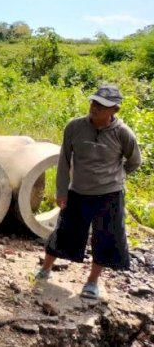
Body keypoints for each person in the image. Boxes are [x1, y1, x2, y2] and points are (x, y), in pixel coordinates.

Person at [35, 84, 142, 299]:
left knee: (105, 237)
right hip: (78, 192)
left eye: (101, 105)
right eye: (94, 102)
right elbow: (64, 161)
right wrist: (62, 191)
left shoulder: (123, 133)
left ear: (114, 110)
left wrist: (115, 177)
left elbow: (134, 161)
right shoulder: (74, 127)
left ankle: (92, 282)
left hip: (109, 195)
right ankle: (45, 269)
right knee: (65, 231)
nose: (94, 107)